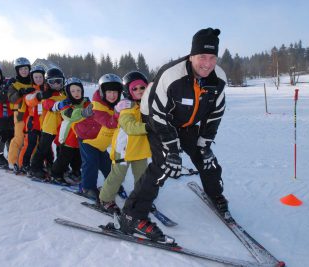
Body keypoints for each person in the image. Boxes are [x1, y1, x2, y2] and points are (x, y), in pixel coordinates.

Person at [118, 28, 227, 243]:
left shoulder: (219, 78)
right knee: (164, 165)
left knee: (207, 160)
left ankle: (215, 195)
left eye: (212, 57)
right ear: (191, 55)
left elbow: (215, 113)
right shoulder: (172, 75)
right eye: (202, 57)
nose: (207, 63)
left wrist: (204, 144)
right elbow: (157, 114)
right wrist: (171, 148)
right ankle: (132, 215)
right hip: (158, 119)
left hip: (186, 123)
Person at [98, 71, 151, 214]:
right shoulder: (126, 107)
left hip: (140, 149)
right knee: (117, 176)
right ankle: (105, 199)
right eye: (135, 89)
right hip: (124, 149)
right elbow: (130, 127)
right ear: (128, 91)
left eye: (142, 88)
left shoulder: (147, 105)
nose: (139, 91)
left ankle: (140, 199)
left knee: (142, 177)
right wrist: (148, 127)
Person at [74, 74, 122, 200]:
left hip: (100, 142)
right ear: (102, 92)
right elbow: (109, 123)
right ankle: (87, 187)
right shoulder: (97, 106)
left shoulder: (114, 105)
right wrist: (118, 113)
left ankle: (112, 184)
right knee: (91, 162)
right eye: (109, 92)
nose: (112, 95)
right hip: (87, 139)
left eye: (115, 92)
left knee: (106, 164)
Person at [51, 77, 91, 184]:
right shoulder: (65, 104)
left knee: (78, 157)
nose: (76, 93)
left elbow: (93, 111)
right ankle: (55, 173)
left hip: (81, 136)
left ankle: (75, 171)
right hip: (68, 137)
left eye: (78, 90)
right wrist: (84, 112)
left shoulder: (86, 102)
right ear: (68, 92)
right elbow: (72, 116)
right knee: (64, 158)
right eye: (73, 91)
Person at [29, 67, 66, 179]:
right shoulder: (46, 95)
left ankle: (59, 168)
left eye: (58, 81)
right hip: (49, 127)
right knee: (43, 148)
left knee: (62, 149)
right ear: (47, 83)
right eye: (52, 82)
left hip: (62, 128)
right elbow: (47, 104)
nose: (55, 84)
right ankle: (35, 168)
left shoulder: (64, 94)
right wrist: (58, 105)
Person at [7, 57, 35, 173]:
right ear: (17, 70)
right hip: (19, 114)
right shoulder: (14, 84)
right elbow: (11, 99)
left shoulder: (33, 82)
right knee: (19, 137)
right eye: (21, 69)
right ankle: (12, 161)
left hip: (32, 114)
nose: (24, 71)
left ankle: (30, 161)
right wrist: (20, 93)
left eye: (26, 68)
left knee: (32, 138)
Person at [18, 65, 47, 173]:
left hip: (44, 122)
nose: (38, 79)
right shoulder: (30, 90)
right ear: (32, 78)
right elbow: (28, 100)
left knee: (44, 145)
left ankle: (43, 163)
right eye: (36, 77)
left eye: (40, 77)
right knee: (30, 144)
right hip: (33, 122)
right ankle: (23, 164)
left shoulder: (47, 89)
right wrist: (38, 96)